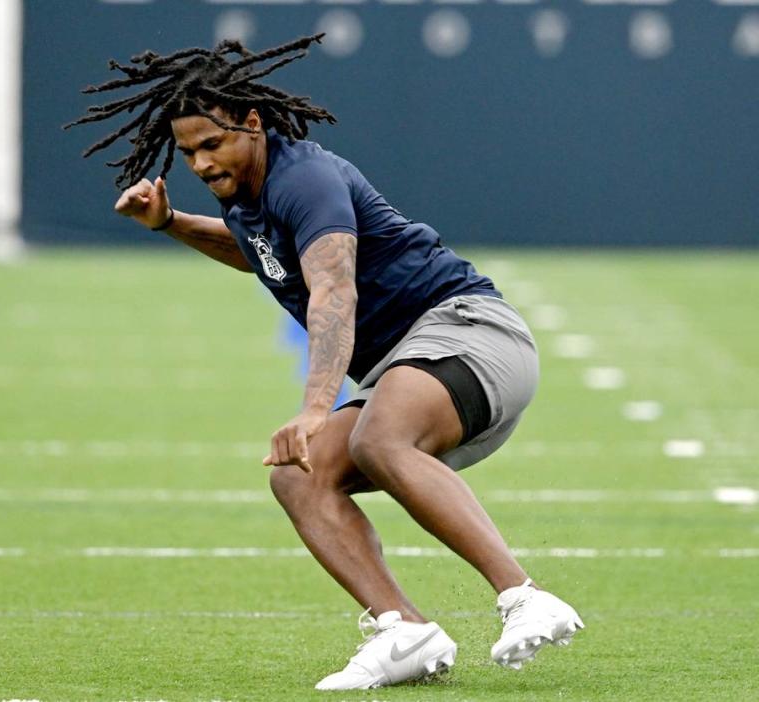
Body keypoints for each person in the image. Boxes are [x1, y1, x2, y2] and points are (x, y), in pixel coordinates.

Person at [66, 33, 584, 691]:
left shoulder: (303, 177)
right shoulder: (247, 187)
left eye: (212, 143)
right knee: (298, 477)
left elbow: (334, 288)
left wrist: (316, 408)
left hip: (469, 334)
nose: (199, 162)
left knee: (377, 438)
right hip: (415, 359)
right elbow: (262, 253)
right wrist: (173, 224)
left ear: (252, 123)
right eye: (188, 150)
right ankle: (404, 630)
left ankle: (522, 596)